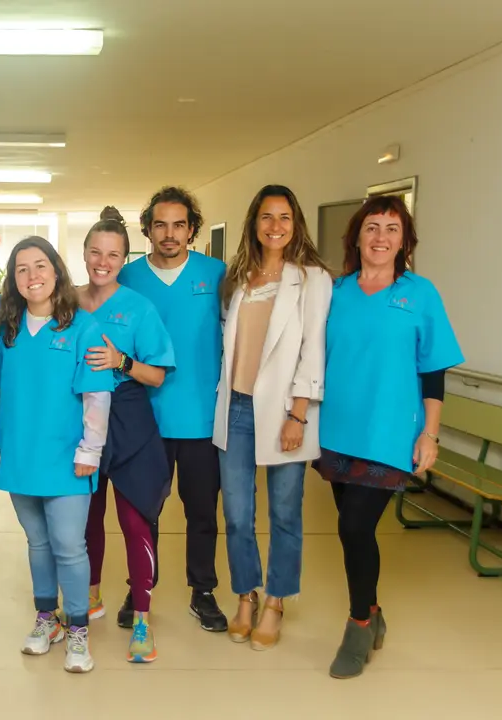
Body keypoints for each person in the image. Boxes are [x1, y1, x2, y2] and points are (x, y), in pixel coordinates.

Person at [314, 195, 463, 679]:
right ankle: (374, 612)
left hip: (391, 432)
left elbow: (433, 371)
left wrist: (431, 435)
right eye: (372, 227)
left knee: (354, 528)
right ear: (357, 236)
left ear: (405, 240)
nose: (381, 237)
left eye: (392, 229)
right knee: (352, 529)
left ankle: (359, 623)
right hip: (337, 430)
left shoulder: (421, 295)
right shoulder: (335, 292)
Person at [213, 185, 332, 651]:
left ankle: (277, 599)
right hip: (237, 408)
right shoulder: (239, 277)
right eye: (267, 217)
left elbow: (313, 348)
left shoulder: (312, 278)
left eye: (284, 217)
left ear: (296, 223)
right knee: (238, 514)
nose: (275, 226)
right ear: (254, 223)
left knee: (285, 512)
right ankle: (246, 593)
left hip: (286, 411)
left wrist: (299, 414)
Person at [0, 236, 114, 674]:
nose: (33, 276)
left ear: (57, 272)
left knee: (68, 545)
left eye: (40, 265)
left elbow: (97, 396)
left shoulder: (82, 328)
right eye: (22, 269)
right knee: (38, 543)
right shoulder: (6, 330)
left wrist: (91, 450)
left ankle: (78, 627)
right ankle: (47, 619)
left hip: (68, 459)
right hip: (21, 458)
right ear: (13, 280)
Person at [118, 186, 228, 632]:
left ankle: (202, 591)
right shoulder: (127, 278)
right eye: (159, 224)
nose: (169, 233)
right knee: (144, 511)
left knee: (202, 511)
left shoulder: (217, 274)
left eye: (178, 225)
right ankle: (140, 588)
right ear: (146, 229)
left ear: (192, 230)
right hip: (145, 420)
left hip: (202, 417)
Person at [78, 207, 176, 663]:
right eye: (95, 252)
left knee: (136, 523)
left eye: (112, 254)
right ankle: (89, 597)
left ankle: (141, 618)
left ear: (124, 258)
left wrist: (121, 362)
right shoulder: (69, 302)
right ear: (84, 253)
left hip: (131, 421)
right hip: (79, 422)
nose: (103, 261)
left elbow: (157, 375)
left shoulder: (140, 308)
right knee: (84, 519)